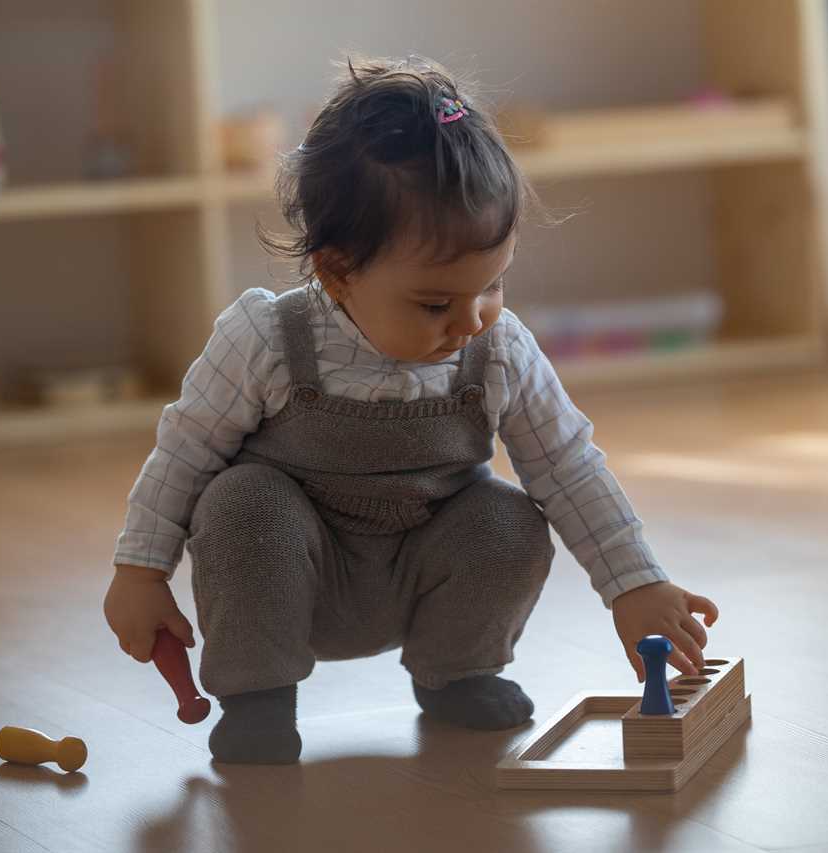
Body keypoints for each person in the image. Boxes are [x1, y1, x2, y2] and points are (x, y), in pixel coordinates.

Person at [102, 57, 719, 764]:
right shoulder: (266, 339)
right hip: (298, 577)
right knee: (240, 500)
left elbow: (568, 464)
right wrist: (140, 570)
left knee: (512, 518)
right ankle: (259, 699)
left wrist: (633, 583)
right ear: (337, 271)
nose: (472, 320)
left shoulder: (499, 350)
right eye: (436, 303)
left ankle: (458, 671)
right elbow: (183, 450)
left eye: (492, 286)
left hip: (427, 573)